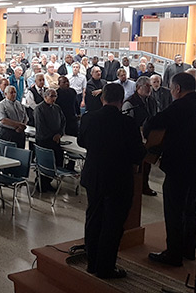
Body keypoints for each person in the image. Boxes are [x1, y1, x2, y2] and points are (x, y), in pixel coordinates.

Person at [144, 73, 196, 267]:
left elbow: (154, 121)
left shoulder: (181, 105)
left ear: (177, 89)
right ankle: (188, 249)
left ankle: (173, 253)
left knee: (174, 209)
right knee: (191, 207)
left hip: (180, 166)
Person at [78, 83, 145, 279]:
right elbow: (137, 154)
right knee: (113, 224)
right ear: (121, 100)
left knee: (93, 219)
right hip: (118, 179)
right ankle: (105, 268)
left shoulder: (89, 117)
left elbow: (82, 142)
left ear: (102, 98)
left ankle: (91, 263)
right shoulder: (127, 123)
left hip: (94, 176)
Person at [121, 76, 158, 196]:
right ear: (138, 88)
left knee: (146, 165)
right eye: (146, 86)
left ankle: (144, 185)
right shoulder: (130, 103)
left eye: (150, 86)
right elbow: (126, 124)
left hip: (149, 138)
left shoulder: (151, 101)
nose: (149, 88)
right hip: (135, 139)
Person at [33, 88, 66, 192]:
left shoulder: (57, 108)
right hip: (44, 141)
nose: (54, 98)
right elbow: (41, 126)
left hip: (56, 141)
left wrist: (60, 134)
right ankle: (41, 184)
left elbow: (63, 121)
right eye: (51, 96)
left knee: (57, 162)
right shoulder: (39, 109)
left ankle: (48, 182)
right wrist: (53, 136)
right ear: (45, 97)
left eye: (55, 96)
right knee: (45, 163)